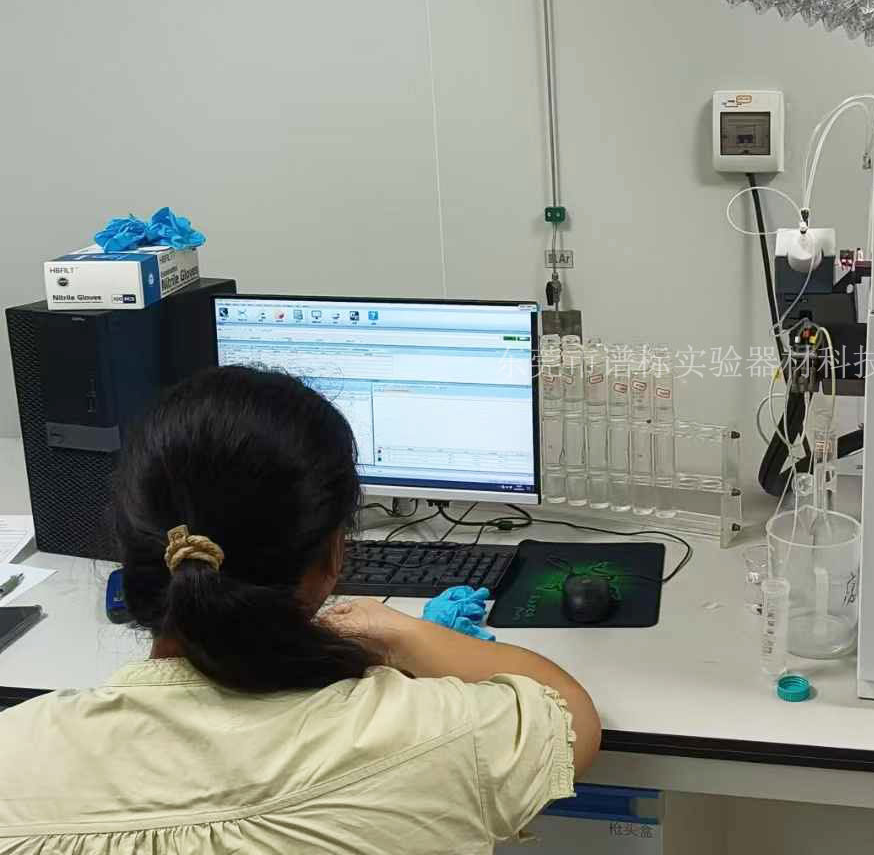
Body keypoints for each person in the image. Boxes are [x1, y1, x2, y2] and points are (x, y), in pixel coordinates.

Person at [0, 366, 600, 854]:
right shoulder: (434, 736)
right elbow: (569, 715)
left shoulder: (15, 756)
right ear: (333, 554)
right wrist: (401, 633)